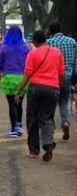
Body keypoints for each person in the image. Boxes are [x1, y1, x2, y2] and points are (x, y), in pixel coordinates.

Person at [14, 30, 65, 161]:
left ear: (35, 41)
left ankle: (33, 150)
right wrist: (57, 87)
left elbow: (27, 75)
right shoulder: (57, 52)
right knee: (47, 117)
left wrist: (18, 92)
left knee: (32, 118)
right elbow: (61, 73)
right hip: (52, 88)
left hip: (36, 88)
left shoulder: (33, 53)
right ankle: (48, 143)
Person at [45, 21, 77, 141]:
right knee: (64, 100)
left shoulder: (48, 43)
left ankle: (50, 129)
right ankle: (65, 122)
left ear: (50, 30)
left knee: (51, 102)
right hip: (68, 76)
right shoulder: (72, 41)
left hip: (52, 77)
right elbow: (76, 60)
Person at [0, 25, 30, 138]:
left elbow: (0, 66)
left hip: (9, 78)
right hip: (22, 78)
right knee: (19, 102)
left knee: (11, 104)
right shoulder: (26, 48)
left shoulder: (4, 48)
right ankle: (20, 126)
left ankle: (13, 129)